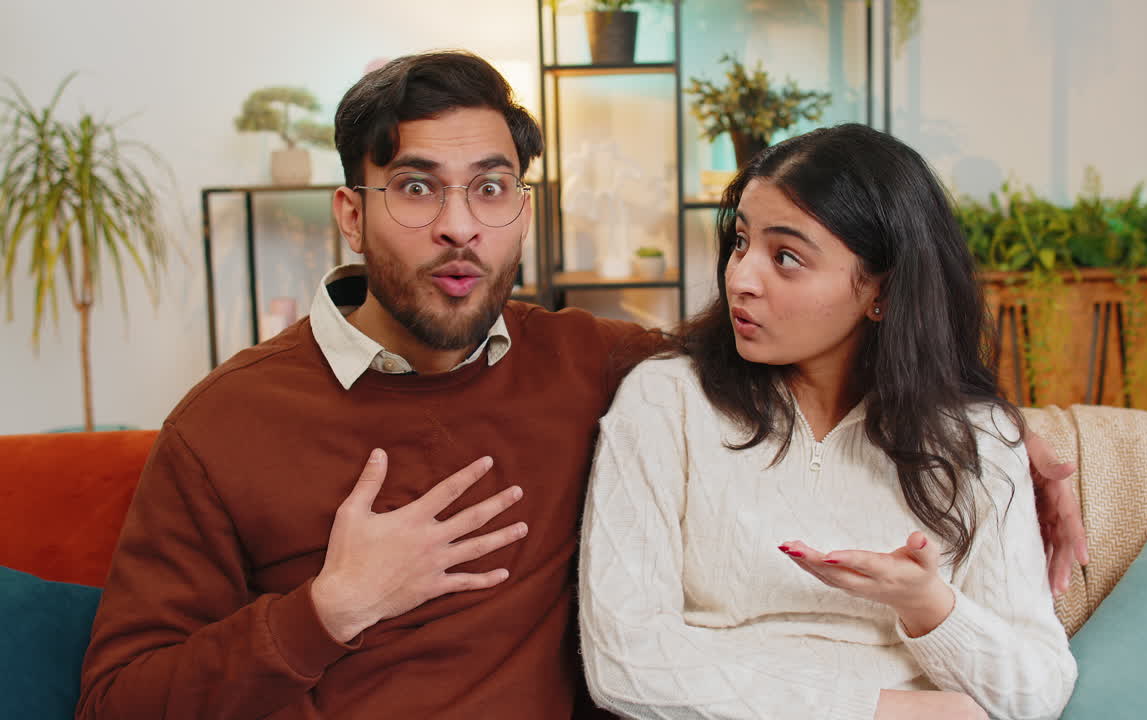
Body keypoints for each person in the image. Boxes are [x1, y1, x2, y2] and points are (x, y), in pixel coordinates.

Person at [77, 52, 1083, 719]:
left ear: (523, 207)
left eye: (491, 188)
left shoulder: (590, 364)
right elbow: (115, 699)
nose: (460, 225)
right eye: (417, 188)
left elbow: (822, 366)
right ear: (350, 212)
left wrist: (1023, 441)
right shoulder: (228, 424)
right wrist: (327, 610)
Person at [579, 124, 1078, 719]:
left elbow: (1039, 691)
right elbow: (624, 663)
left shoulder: (976, 440)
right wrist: (874, 711)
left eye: (786, 257)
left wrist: (930, 608)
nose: (741, 277)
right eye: (741, 242)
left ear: (884, 292)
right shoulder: (665, 403)